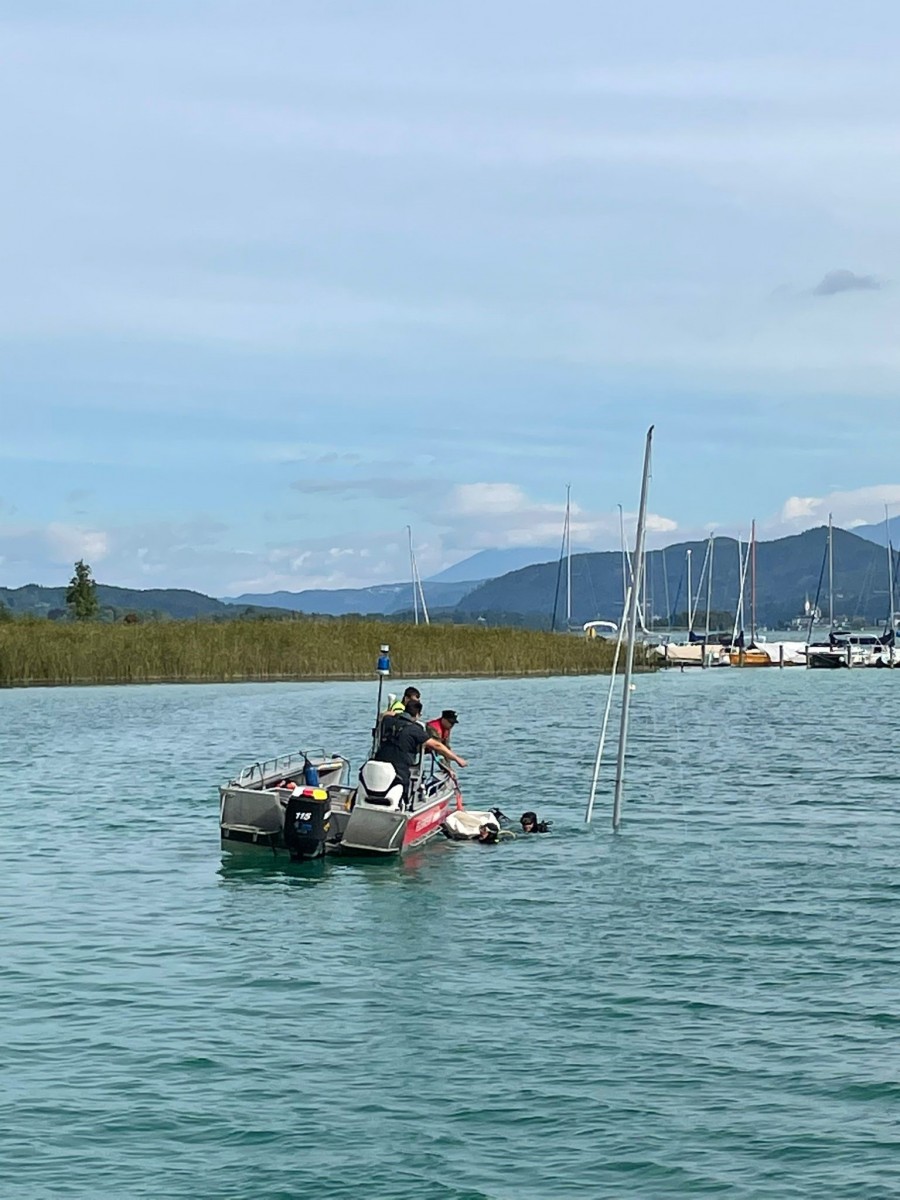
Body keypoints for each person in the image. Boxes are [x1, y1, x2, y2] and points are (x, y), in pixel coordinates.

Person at [375, 698, 467, 802]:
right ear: (418, 714)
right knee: (405, 789)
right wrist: (457, 759)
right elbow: (437, 746)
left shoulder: (387, 720)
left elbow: (383, 715)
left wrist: (396, 714)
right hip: (400, 769)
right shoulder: (416, 729)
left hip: (379, 763)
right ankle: (404, 802)